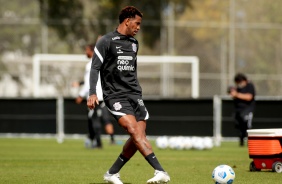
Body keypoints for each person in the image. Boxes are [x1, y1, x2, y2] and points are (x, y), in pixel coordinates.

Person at [87, 6, 170, 184]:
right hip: (115, 95)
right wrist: (92, 92)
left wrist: (137, 93)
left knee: (138, 135)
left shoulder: (134, 44)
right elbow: (95, 68)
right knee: (133, 130)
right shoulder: (106, 41)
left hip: (135, 95)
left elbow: (131, 72)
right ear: (127, 21)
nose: (139, 27)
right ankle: (160, 170)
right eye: (137, 23)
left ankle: (112, 173)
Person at [75, 42, 116, 148]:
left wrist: (80, 95)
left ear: (92, 51)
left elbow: (89, 82)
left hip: (95, 96)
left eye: (87, 50)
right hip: (104, 96)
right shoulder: (103, 62)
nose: (85, 52)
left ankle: (97, 143)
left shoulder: (90, 65)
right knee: (102, 119)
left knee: (94, 118)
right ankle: (99, 140)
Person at [228, 73, 256, 146]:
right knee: (239, 127)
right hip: (238, 110)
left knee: (247, 126)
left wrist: (237, 94)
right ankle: (241, 142)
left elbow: (249, 97)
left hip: (247, 110)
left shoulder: (249, 86)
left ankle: (250, 142)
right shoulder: (238, 88)